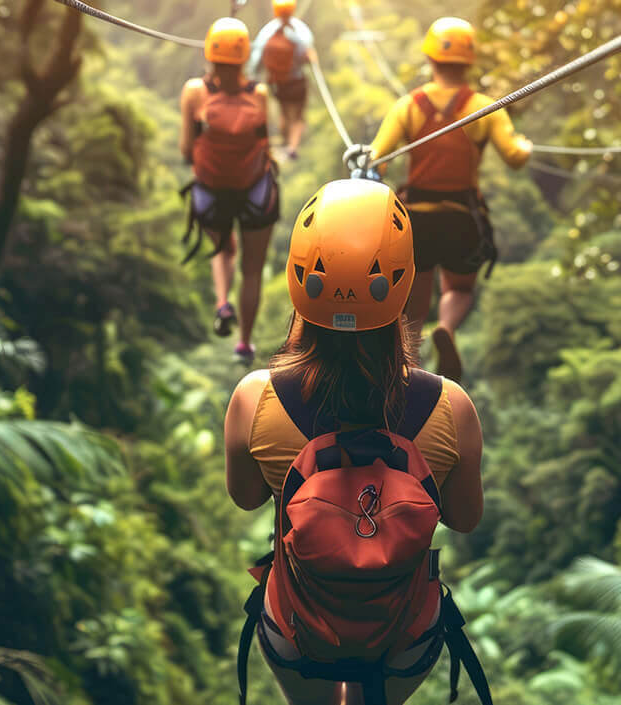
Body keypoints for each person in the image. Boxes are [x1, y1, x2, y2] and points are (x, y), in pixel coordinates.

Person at [224, 180, 490, 705]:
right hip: (405, 632)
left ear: (298, 278)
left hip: (299, 629)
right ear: (407, 283)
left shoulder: (255, 399)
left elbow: (247, 497)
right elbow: (464, 518)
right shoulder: (451, 407)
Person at [367, 17, 532, 383]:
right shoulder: (486, 108)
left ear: (431, 59)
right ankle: (447, 327)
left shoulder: (409, 106)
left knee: (414, 297)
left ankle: (407, 367)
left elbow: (378, 156)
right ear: (469, 61)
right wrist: (525, 147)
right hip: (462, 215)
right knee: (458, 288)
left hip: (417, 217)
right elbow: (514, 157)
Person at [181, 17, 283, 364]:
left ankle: (222, 303)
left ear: (209, 53)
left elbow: (185, 148)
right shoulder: (259, 94)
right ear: (245, 57)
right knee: (252, 269)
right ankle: (244, 343)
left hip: (211, 190)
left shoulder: (195, 91)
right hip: (253, 190)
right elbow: (265, 142)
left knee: (224, 250)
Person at [247, 0, 317, 162]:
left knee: (285, 112)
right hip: (297, 81)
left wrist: (250, 76)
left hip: (278, 84)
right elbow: (306, 56)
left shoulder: (267, 32)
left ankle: (286, 142)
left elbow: (256, 57)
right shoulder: (301, 31)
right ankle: (292, 147)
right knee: (298, 117)